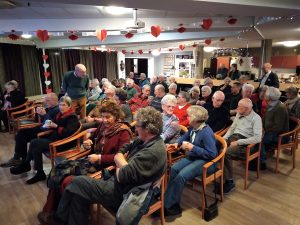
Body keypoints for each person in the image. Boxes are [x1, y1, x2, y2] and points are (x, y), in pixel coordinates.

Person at [38, 106, 167, 225]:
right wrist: (121, 158)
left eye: (138, 126)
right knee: (78, 192)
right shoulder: (145, 140)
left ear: (148, 129)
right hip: (115, 180)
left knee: (74, 183)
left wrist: (118, 158)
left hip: (122, 193)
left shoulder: (153, 152)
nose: (135, 129)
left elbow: (122, 175)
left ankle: (59, 218)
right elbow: (126, 148)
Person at [42, 100, 132, 213]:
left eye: (108, 117)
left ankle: (65, 213)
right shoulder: (103, 126)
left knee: (67, 180)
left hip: (107, 169)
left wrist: (99, 158)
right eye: (103, 117)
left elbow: (120, 157)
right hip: (91, 161)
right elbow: (93, 138)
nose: (105, 120)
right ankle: (52, 210)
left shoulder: (123, 132)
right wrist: (88, 142)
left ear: (116, 116)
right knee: (59, 170)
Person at [10, 96, 80, 184]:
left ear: (69, 106)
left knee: (35, 142)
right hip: (55, 138)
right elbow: (53, 123)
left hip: (63, 142)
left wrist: (56, 126)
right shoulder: (60, 114)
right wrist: (49, 125)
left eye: (64, 105)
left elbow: (68, 133)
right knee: (36, 146)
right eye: (60, 105)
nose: (61, 107)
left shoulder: (72, 117)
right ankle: (39, 172)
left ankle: (27, 164)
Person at [164, 105, 218, 216]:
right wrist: (177, 143)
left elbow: (212, 154)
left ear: (194, 118)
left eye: (188, 116)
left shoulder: (206, 132)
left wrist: (192, 148)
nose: (186, 117)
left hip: (206, 161)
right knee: (173, 169)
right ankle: (168, 199)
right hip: (195, 157)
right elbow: (185, 137)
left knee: (182, 176)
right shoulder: (194, 127)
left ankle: (169, 205)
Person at [0, 93, 60, 167]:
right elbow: (42, 121)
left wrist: (44, 114)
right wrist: (39, 114)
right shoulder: (50, 108)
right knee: (21, 132)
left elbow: (51, 124)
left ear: (54, 100)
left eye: (47, 100)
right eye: (45, 100)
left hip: (47, 132)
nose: (45, 102)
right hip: (42, 128)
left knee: (22, 136)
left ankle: (20, 159)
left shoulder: (57, 110)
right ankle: (20, 158)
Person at [222, 98, 262, 194]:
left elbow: (258, 138)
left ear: (247, 108)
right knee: (215, 145)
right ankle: (213, 173)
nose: (237, 108)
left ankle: (229, 181)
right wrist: (224, 138)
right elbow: (232, 128)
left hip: (246, 144)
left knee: (225, 153)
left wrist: (239, 142)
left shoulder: (256, 118)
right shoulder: (239, 113)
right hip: (234, 138)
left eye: (239, 107)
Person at [261, 87, 289, 169]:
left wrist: (265, 131)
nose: (264, 94)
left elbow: (278, 127)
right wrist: (262, 127)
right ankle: (260, 156)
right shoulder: (270, 104)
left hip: (280, 135)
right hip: (270, 131)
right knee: (256, 136)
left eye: (266, 94)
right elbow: (264, 118)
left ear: (270, 97)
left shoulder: (280, 108)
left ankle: (262, 161)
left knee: (260, 140)